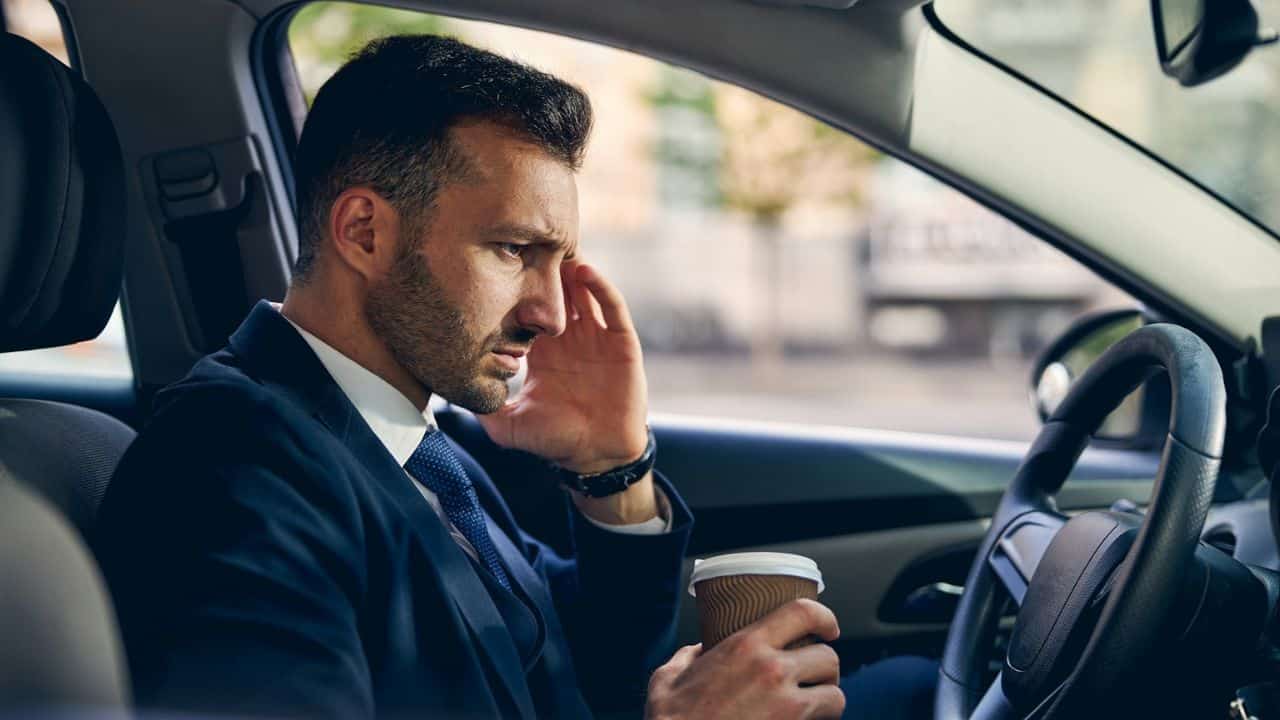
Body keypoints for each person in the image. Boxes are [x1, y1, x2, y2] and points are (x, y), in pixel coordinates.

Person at [93, 35, 850, 720]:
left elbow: (574, 667)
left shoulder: (418, 442)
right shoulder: (228, 468)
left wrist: (612, 467)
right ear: (365, 232)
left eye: (560, 261)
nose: (551, 313)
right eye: (514, 249)